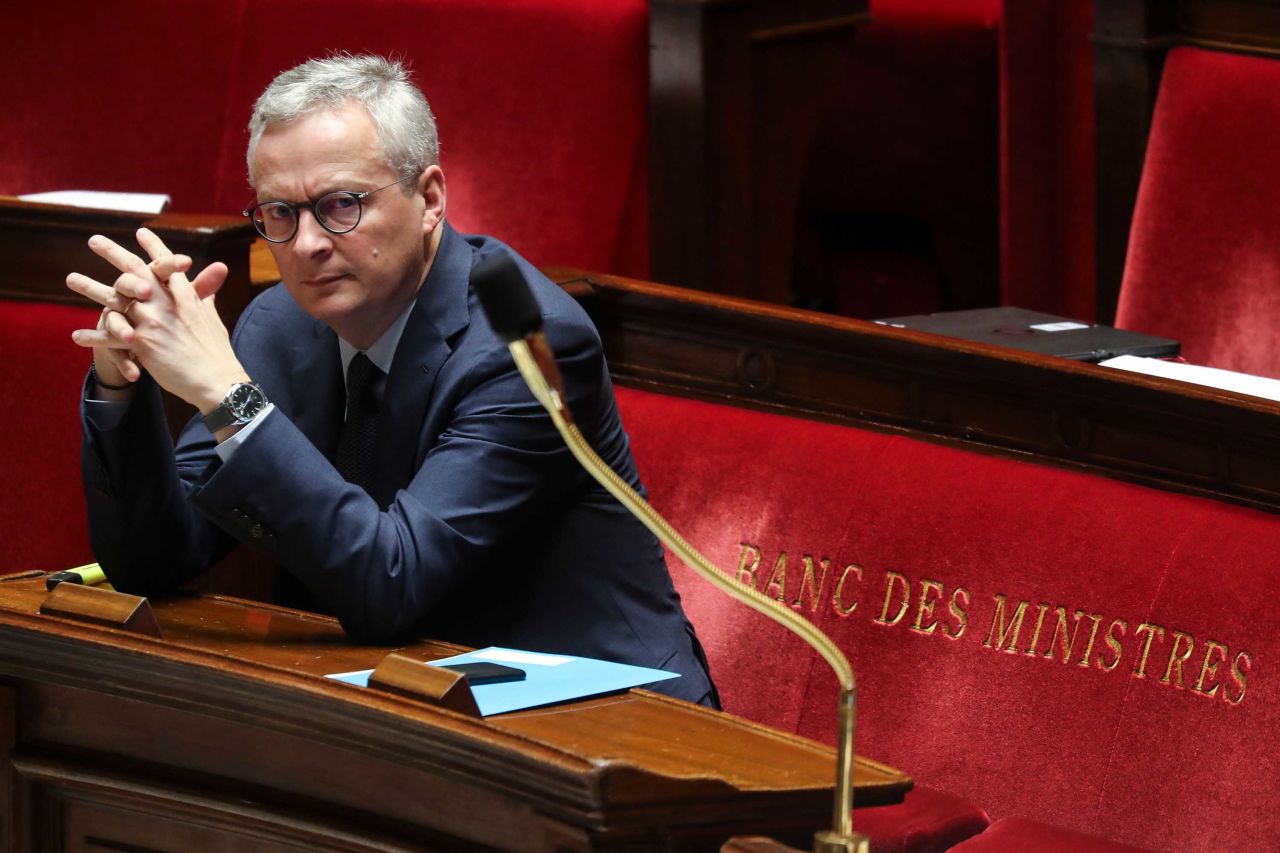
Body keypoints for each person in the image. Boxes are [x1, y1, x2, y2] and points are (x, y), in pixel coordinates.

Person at [66, 54, 717, 707]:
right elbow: (151, 561)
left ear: (430, 199)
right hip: (408, 700)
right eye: (281, 213)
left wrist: (226, 394)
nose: (308, 242)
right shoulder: (280, 326)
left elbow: (391, 580)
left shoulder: (528, 345)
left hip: (606, 718)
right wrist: (118, 385)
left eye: (340, 205)